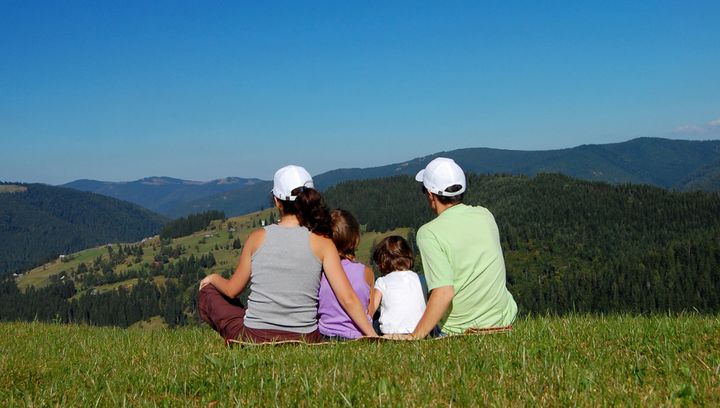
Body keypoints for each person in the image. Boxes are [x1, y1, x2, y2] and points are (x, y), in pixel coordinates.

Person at [198, 165, 377, 343]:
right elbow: (347, 298)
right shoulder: (323, 242)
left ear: (277, 201)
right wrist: (373, 335)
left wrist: (213, 278)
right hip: (305, 337)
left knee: (209, 293)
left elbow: (231, 290)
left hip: (256, 336)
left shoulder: (257, 237)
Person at [410, 157, 517, 338]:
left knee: (417, 284)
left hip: (458, 330)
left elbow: (444, 292)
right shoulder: (485, 215)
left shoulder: (428, 233)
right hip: (503, 321)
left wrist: (415, 337)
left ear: (430, 194)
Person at [317, 209, 374, 340]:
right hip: (358, 335)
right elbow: (369, 312)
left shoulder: (320, 273)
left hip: (325, 335)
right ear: (354, 240)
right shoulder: (366, 273)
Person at [368, 236, 426, 335]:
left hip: (391, 333)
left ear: (382, 262)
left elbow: (371, 309)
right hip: (419, 331)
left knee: (376, 318)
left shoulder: (382, 281)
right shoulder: (421, 279)